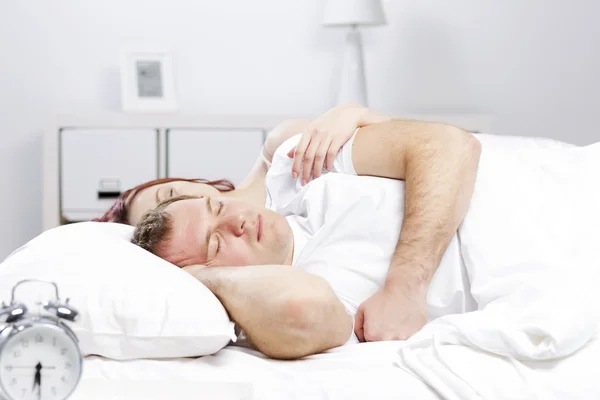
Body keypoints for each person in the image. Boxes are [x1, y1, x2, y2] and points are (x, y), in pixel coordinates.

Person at [130, 104, 482, 360]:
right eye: (215, 242)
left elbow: (447, 144)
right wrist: (203, 280)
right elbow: (302, 310)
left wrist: (405, 285)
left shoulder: (294, 171)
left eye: (215, 208)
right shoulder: (317, 292)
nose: (236, 221)